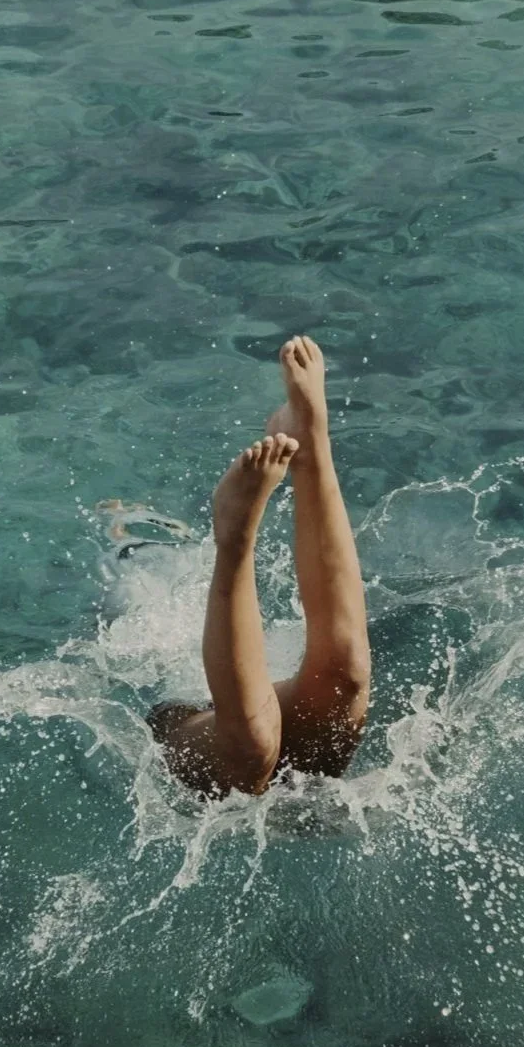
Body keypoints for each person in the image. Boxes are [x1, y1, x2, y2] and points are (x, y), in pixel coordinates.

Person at [148, 337, 370, 797]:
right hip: (182, 729)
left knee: (340, 682)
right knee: (256, 745)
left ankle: (309, 444)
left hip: (231, 724)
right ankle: (237, 533)